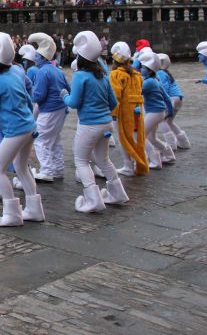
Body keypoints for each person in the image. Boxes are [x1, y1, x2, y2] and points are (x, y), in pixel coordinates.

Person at [0, 32, 44, 226]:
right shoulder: (18, 71)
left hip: (16, 130)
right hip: (29, 125)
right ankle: (34, 209)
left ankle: (12, 213)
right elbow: (28, 98)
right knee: (21, 168)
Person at [62, 31, 129, 213]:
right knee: (103, 159)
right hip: (106, 123)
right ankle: (118, 194)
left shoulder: (80, 76)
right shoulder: (103, 76)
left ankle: (93, 200)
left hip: (89, 125)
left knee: (81, 161)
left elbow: (74, 103)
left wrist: (64, 96)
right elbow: (113, 103)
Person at [28, 33, 70, 182]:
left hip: (49, 110)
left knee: (41, 139)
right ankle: (57, 169)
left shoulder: (42, 72)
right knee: (54, 139)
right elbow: (68, 89)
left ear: (44, 58)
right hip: (60, 108)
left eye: (37, 56)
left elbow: (38, 96)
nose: (35, 59)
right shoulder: (58, 70)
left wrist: (30, 91)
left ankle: (47, 170)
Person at [109, 42, 148, 177]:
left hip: (123, 111)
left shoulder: (116, 74)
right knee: (137, 137)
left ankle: (128, 165)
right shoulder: (137, 74)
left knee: (123, 138)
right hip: (137, 109)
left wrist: (113, 113)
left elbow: (115, 95)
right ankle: (139, 163)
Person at [138, 49, 175, 169]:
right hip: (159, 112)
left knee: (141, 136)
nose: (141, 69)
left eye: (143, 67)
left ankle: (155, 161)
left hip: (154, 112)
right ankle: (169, 155)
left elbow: (136, 92)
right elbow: (167, 98)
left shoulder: (148, 82)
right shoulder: (156, 80)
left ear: (148, 70)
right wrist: (169, 111)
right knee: (151, 137)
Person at [156, 53, 191, 150]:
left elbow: (163, 88)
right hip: (178, 98)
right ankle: (184, 142)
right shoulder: (166, 72)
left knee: (162, 121)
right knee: (169, 122)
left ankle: (171, 145)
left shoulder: (160, 73)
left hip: (171, 99)